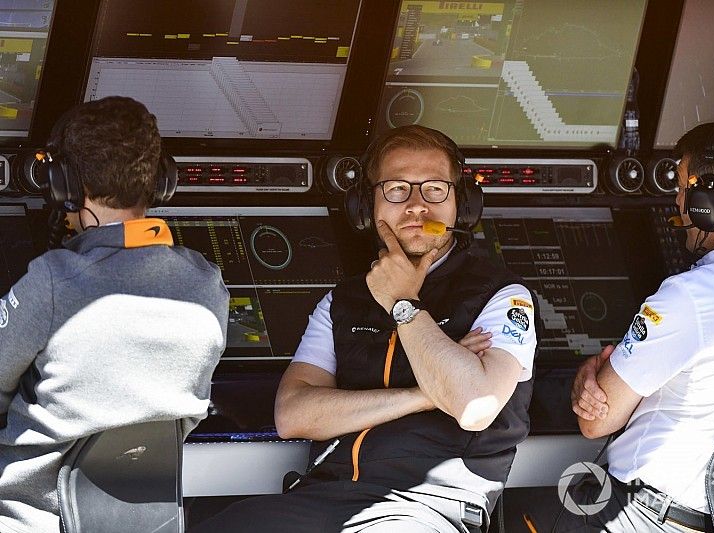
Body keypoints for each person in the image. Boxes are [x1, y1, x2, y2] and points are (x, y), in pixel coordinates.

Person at [191, 125, 538, 533]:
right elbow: (293, 414)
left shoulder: (502, 296)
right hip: (324, 497)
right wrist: (424, 395)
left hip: (429, 507)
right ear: (364, 205)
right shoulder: (342, 302)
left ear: (461, 205)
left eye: (435, 190)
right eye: (396, 189)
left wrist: (403, 305)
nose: (416, 207)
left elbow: (474, 407)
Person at [0, 96, 230, 533]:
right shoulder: (206, 284)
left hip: (29, 520)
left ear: (65, 184)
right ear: (161, 181)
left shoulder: (54, 280)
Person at [559, 119, 714, 532]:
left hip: (644, 514)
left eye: (684, 188)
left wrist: (588, 375)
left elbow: (596, 421)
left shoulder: (689, 297)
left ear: (711, 201)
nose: (676, 201)